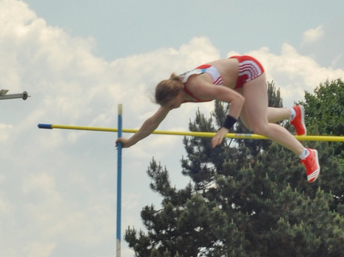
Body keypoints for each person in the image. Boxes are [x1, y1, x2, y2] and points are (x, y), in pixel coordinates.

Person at [116, 56, 319, 182]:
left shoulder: (197, 87)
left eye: (170, 105)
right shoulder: (175, 94)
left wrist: (224, 129)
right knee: (252, 122)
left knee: (259, 126)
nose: (170, 109)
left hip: (248, 70)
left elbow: (237, 100)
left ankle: (306, 154)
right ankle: (294, 113)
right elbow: (153, 121)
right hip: (235, 76)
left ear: (177, 94)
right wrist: (130, 142)